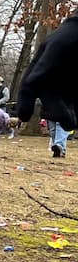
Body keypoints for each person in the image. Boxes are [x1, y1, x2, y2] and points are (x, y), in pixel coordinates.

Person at [14, 15, 78, 159]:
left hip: (61, 103)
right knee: (58, 122)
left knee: (63, 121)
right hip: (55, 104)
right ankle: (57, 144)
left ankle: (60, 145)